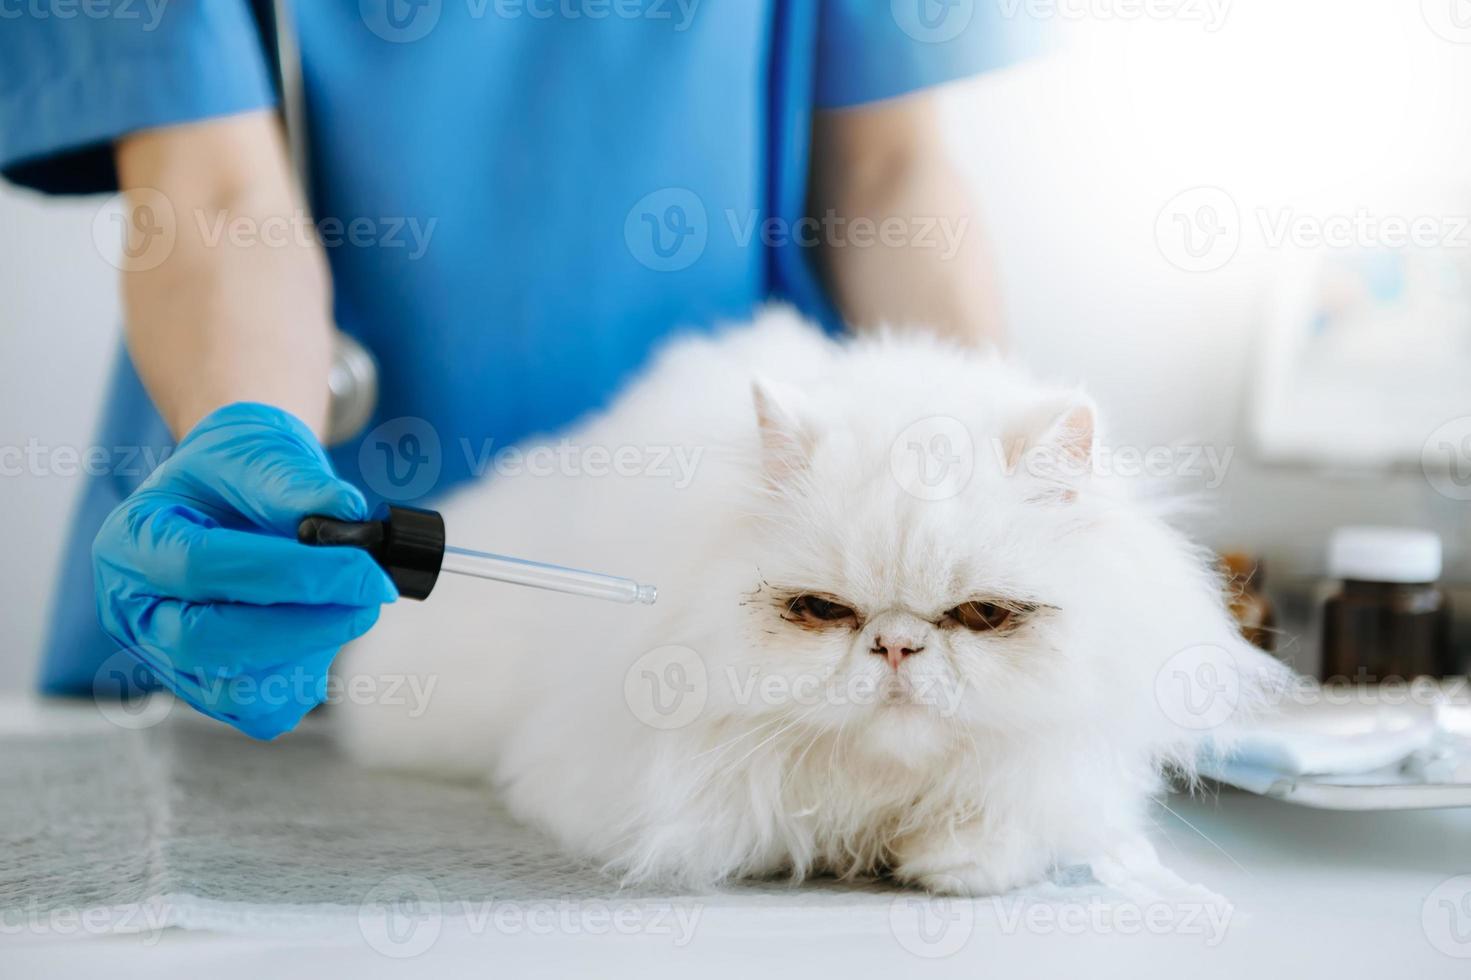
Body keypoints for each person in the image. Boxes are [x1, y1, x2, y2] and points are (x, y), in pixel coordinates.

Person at [1, 1, 1035, 738]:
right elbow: (210, 189)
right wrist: (248, 440)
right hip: (308, 559)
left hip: (725, 566)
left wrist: (986, 479)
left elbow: (886, 167)